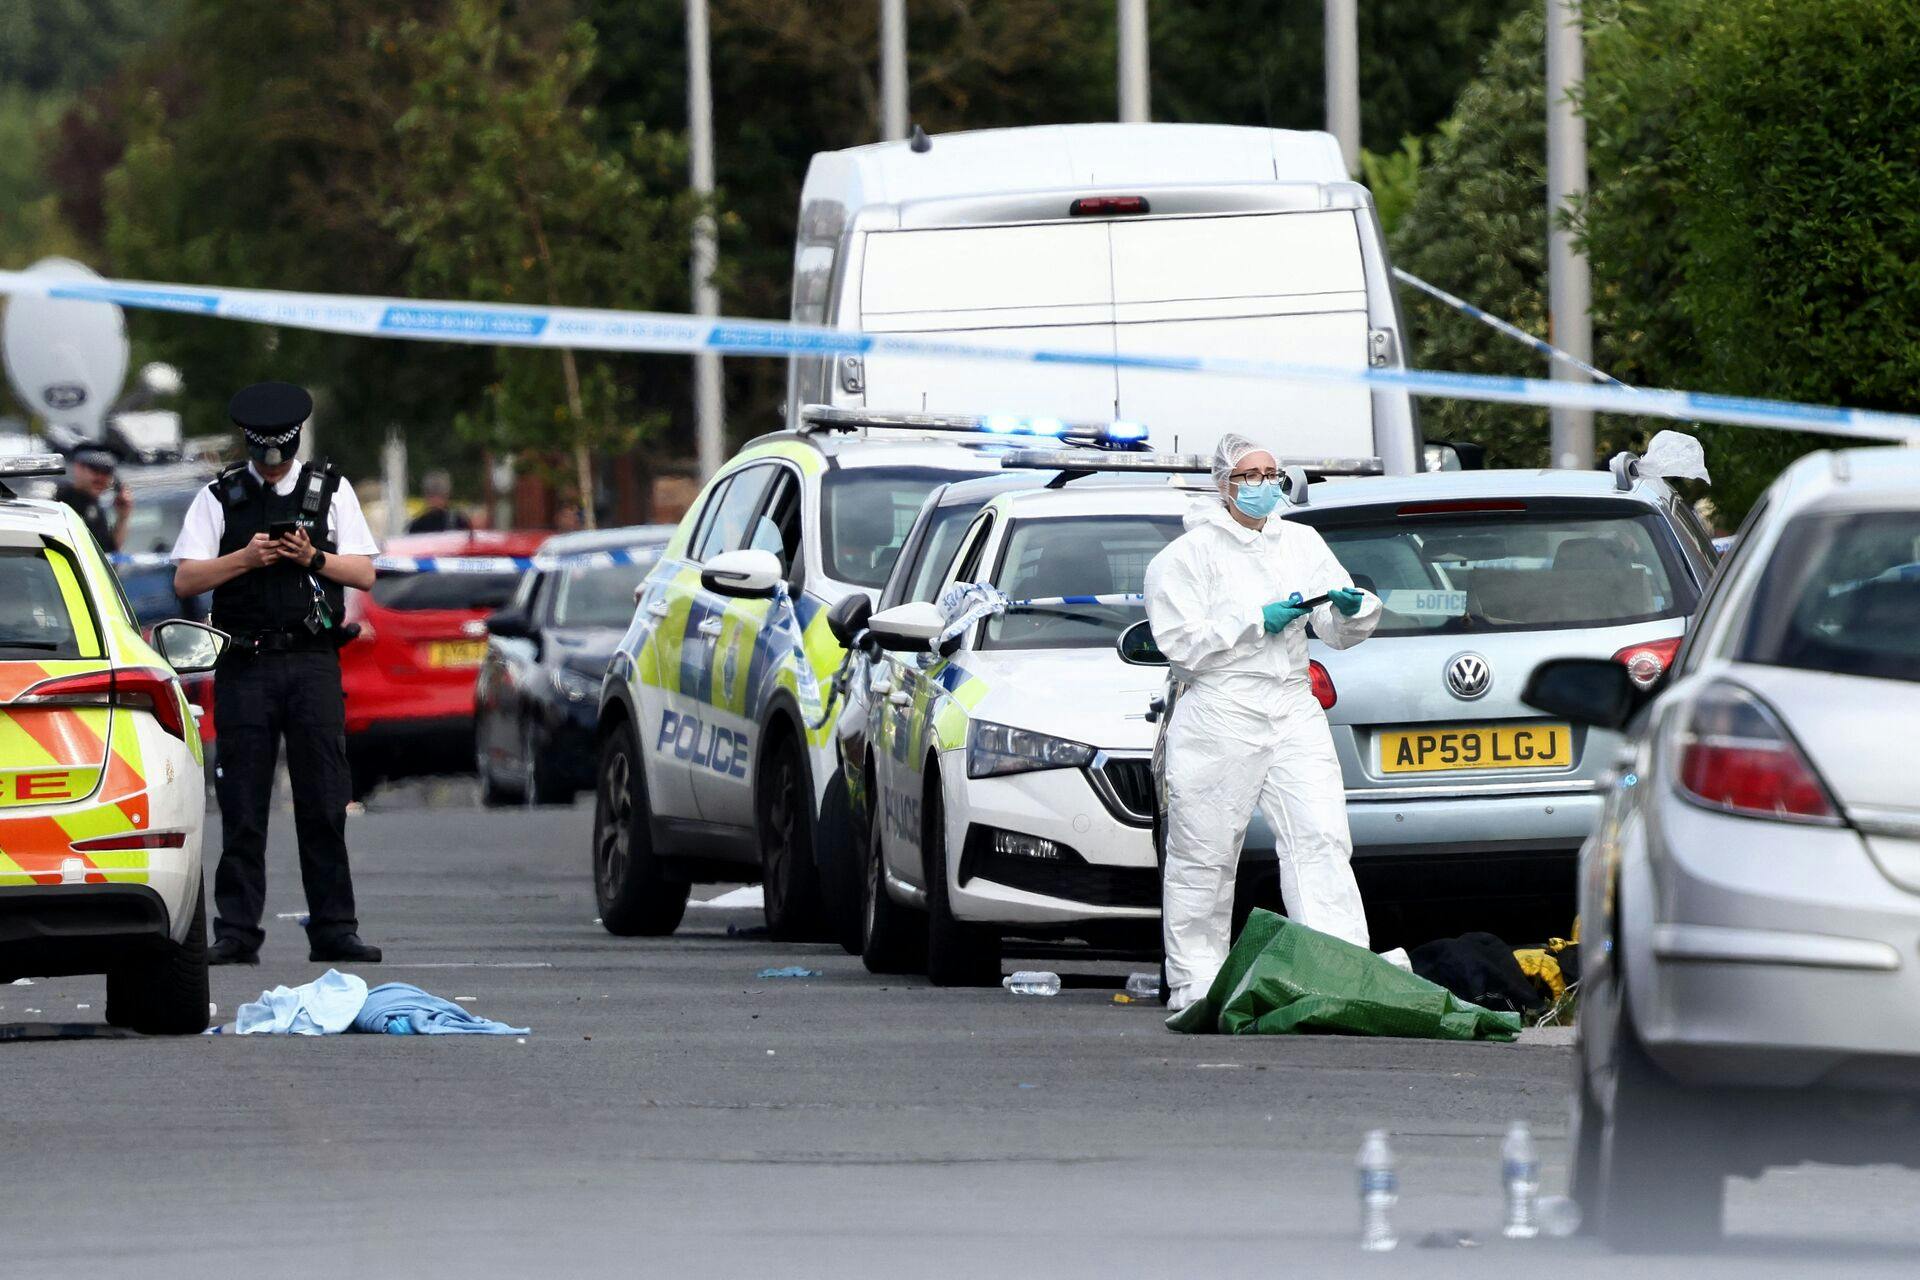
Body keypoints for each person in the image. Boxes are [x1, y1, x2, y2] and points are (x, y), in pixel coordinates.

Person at [1142, 433, 1384, 1014]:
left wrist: (1353, 611)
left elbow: (1335, 623)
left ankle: (1340, 972)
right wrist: (1256, 622)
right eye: (1249, 475)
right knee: (1205, 850)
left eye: (1271, 473)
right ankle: (1195, 982)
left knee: (1320, 837)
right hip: (1222, 709)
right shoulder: (1186, 557)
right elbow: (1181, 646)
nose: (1261, 485)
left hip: (1292, 703)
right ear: (1223, 484)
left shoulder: (1300, 541)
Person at [172, 381, 384, 966]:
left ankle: (335, 927)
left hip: (313, 661)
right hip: (246, 664)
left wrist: (311, 557)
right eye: (264, 457)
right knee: (241, 804)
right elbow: (185, 580)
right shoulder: (219, 497)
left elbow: (364, 574)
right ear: (250, 446)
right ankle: (237, 931)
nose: (272, 469)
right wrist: (247, 558)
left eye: (281, 457)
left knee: (323, 799)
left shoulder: (330, 491)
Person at [53, 446, 132, 551]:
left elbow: (109, 550)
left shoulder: (95, 506)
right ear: (78, 468)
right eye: (95, 470)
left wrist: (122, 517)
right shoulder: (63, 501)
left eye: (106, 472)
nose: (101, 478)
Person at [406, 469, 470, 534]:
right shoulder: (417, 525)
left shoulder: (458, 522)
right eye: (431, 495)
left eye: (439, 495)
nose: (435, 500)